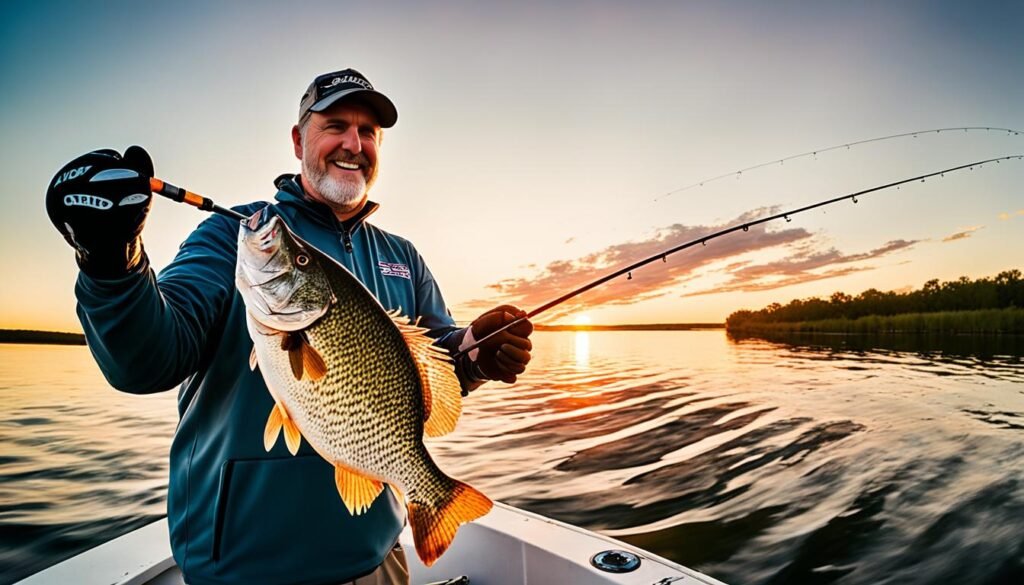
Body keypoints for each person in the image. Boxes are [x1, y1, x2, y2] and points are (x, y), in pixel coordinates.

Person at [45, 68, 534, 585]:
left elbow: (439, 368)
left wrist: (477, 354)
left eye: (369, 132)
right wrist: (111, 261)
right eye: (337, 125)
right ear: (299, 139)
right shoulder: (235, 235)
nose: (354, 143)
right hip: (243, 569)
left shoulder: (402, 257)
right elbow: (147, 360)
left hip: (377, 564)